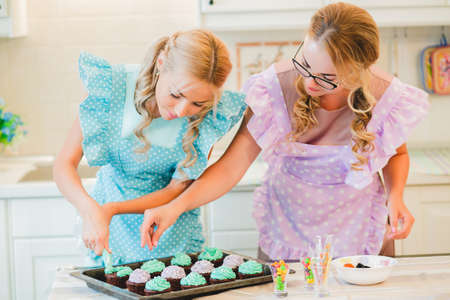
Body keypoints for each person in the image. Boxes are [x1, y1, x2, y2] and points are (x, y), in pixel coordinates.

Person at [139, 2, 429, 260]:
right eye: (304, 62)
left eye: (327, 78)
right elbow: (230, 167)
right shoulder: (273, 88)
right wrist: (175, 207)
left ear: (358, 73)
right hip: (288, 228)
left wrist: (396, 197)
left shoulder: (386, 95)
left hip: (360, 227)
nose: (309, 82)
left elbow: (396, 154)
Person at [53, 29, 247, 265]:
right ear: (161, 63)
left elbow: (177, 188)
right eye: (176, 94)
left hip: (171, 233)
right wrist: (90, 210)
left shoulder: (209, 116)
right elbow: (64, 164)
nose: (181, 111)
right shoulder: (111, 88)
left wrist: (113, 209)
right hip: (110, 232)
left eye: (198, 103)